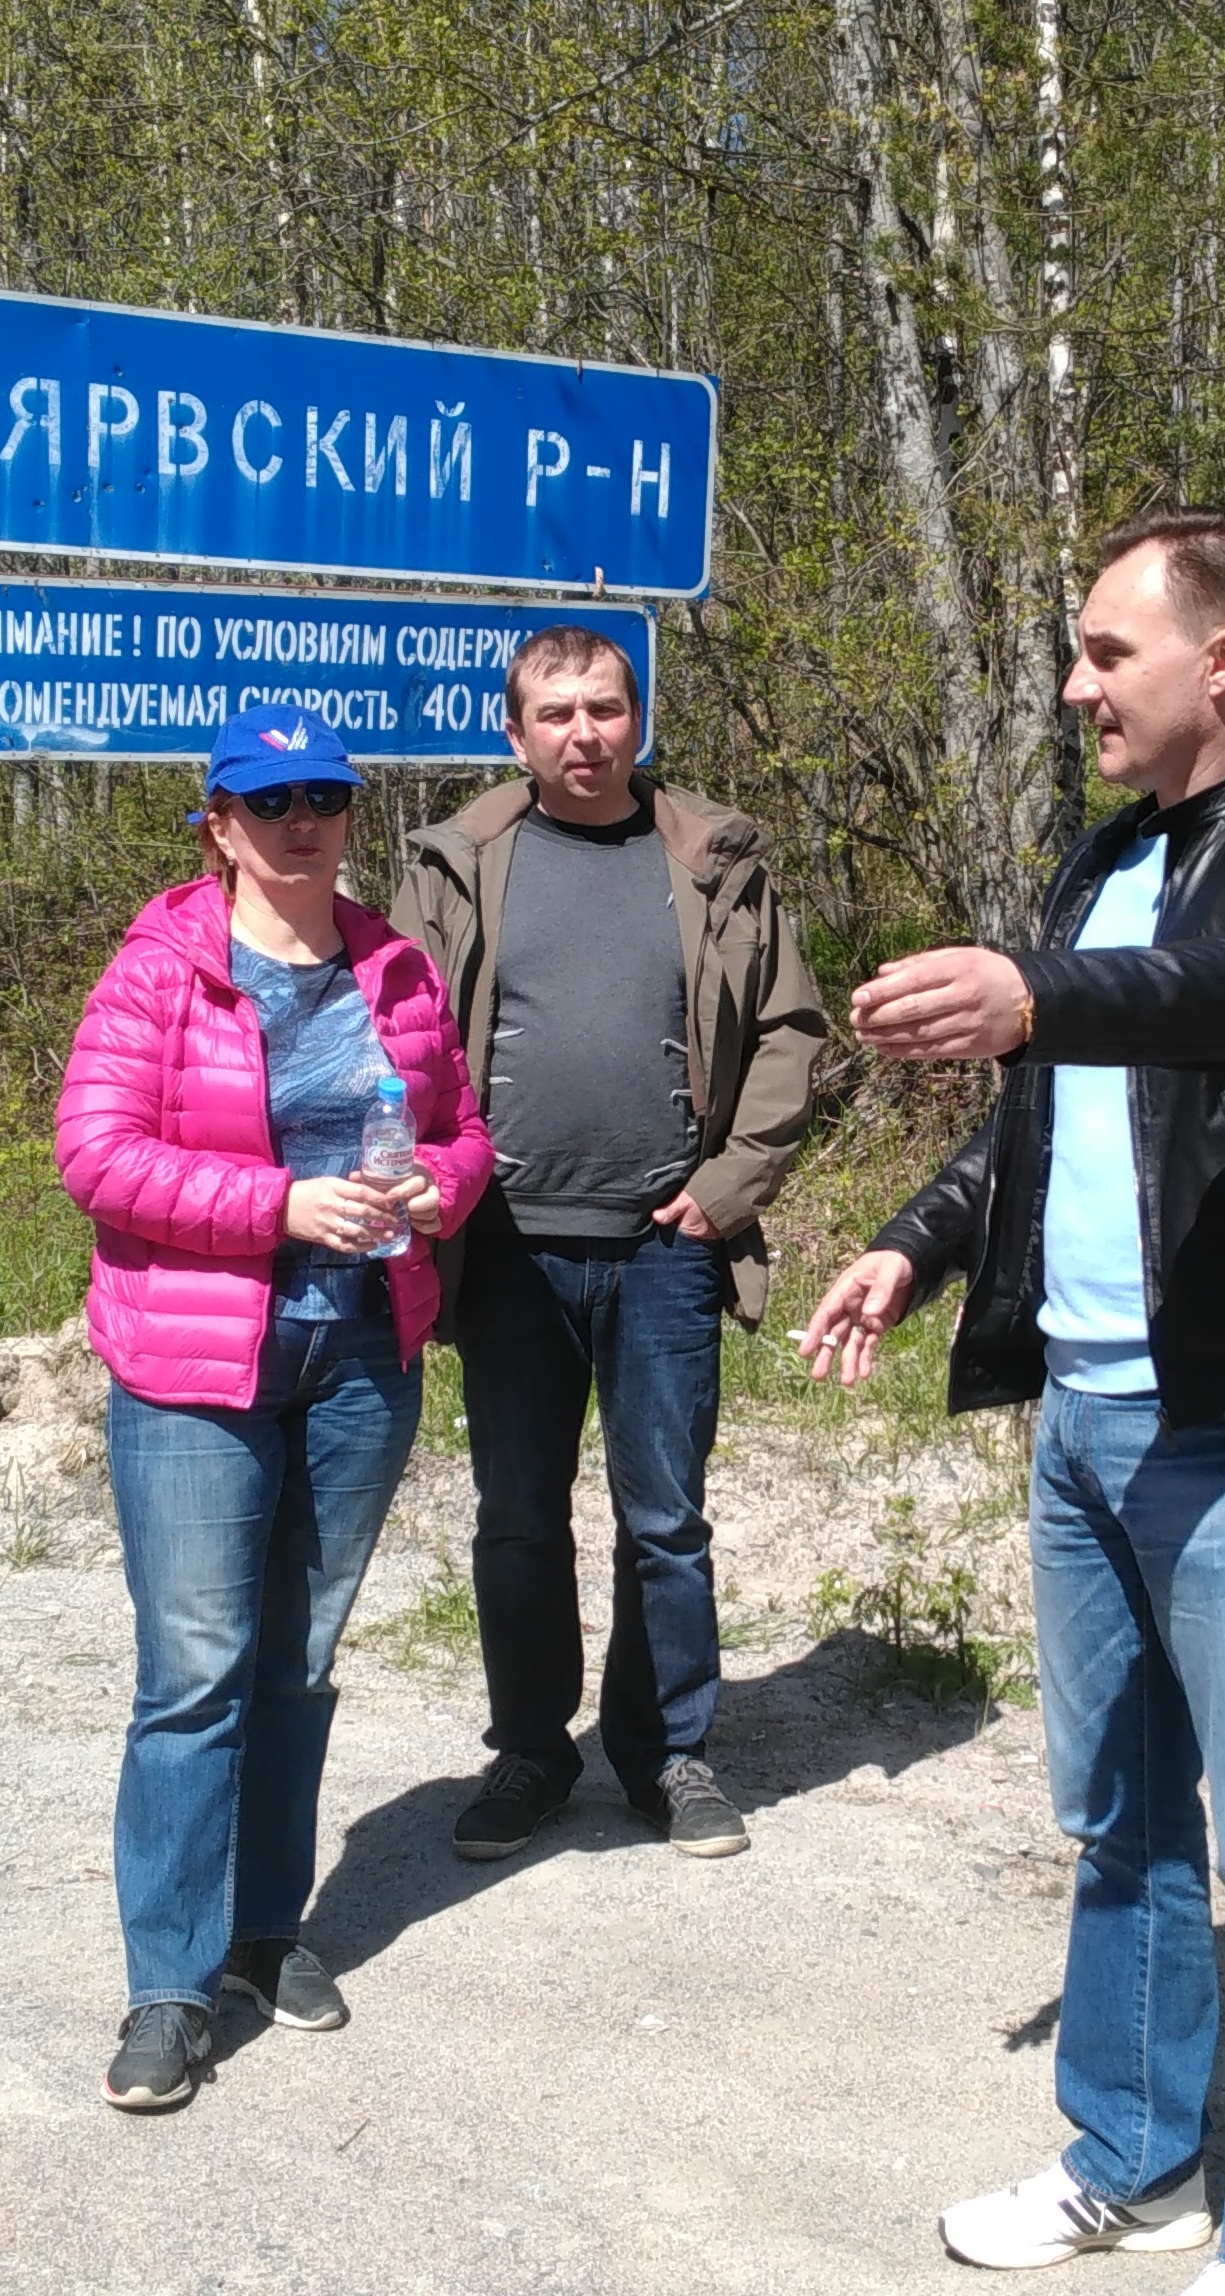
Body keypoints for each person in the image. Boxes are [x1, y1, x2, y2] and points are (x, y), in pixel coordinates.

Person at [802, 509, 1225, 2296]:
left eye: (1102, 652)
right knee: (1121, 1822)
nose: (1073, 686)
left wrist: (1034, 990)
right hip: (1079, 1419)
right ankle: (1136, 2170)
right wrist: (916, 1248)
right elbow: (1040, 1116)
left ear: (1216, 657)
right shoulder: (1102, 861)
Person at [56, 702, 492, 2112]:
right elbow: (96, 1156)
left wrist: (442, 1187)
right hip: (194, 1367)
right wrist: (279, 1207)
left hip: (361, 1352)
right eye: (271, 800)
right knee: (193, 1673)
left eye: (326, 797)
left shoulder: (398, 963)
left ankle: (263, 1931)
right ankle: (167, 1988)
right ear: (218, 823)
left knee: (297, 1659)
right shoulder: (157, 969)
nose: (302, 822)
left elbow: (461, 1128)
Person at [388, 626, 824, 1862]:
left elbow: (791, 1030)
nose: (584, 734)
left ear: (638, 718)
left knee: (666, 1518)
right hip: (510, 1250)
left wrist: (731, 1183)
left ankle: (666, 1752)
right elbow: (404, 1036)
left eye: (605, 708)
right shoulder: (460, 862)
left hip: (666, 1248)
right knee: (517, 1514)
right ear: (513, 732)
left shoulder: (714, 860)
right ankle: (531, 1747)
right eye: (555, 714)